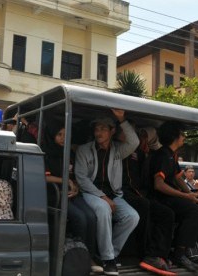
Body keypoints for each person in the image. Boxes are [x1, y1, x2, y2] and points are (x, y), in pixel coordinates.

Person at [75, 109, 140, 276]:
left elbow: (134, 142)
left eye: (103, 129)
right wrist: (102, 197)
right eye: (97, 129)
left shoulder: (118, 150)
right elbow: (81, 179)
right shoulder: (84, 150)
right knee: (104, 209)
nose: (99, 133)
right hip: (91, 193)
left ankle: (110, 253)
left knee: (132, 217)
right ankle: (108, 259)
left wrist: (122, 119)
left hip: (113, 195)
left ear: (112, 131)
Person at [149, 121, 198, 272]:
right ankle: (179, 254)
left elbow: (177, 178)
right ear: (175, 136)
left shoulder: (172, 155)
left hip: (170, 197)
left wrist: (192, 194)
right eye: (182, 134)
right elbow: (159, 185)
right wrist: (186, 197)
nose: (184, 137)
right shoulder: (162, 155)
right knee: (195, 211)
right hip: (160, 198)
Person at [42, 122, 99, 273]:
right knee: (80, 218)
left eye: (66, 135)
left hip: (72, 193)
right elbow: (45, 177)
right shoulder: (46, 152)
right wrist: (65, 181)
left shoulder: (70, 153)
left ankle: (89, 255)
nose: (62, 138)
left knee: (92, 217)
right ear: (52, 135)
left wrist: (76, 187)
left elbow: (76, 176)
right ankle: (79, 254)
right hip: (56, 194)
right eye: (59, 134)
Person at [122, 127, 176, 276]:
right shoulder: (126, 151)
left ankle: (159, 255)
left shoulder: (148, 153)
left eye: (144, 136)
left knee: (167, 213)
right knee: (144, 206)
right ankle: (144, 254)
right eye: (139, 135)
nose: (142, 139)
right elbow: (129, 181)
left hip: (143, 194)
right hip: (126, 194)